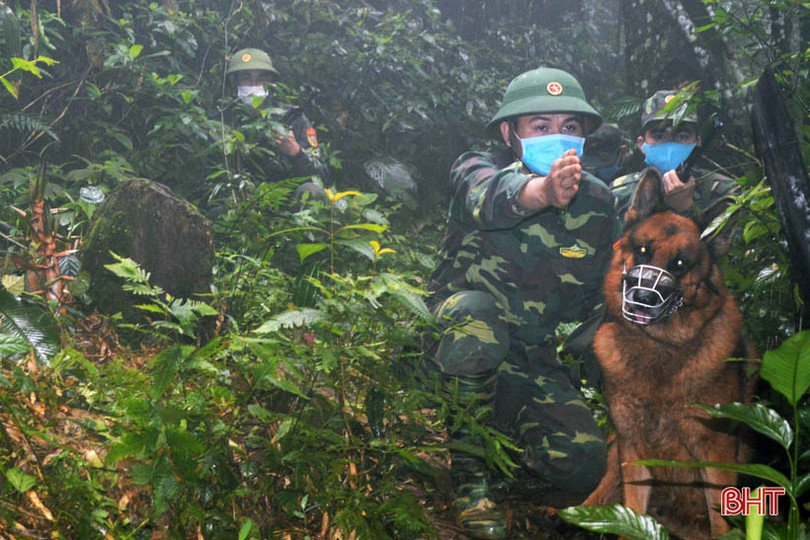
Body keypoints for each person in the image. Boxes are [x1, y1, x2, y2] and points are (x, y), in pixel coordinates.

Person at [426, 67, 617, 539]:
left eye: (570, 127)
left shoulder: (597, 202)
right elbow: (490, 199)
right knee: (475, 321)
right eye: (541, 126)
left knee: (584, 466)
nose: (558, 136)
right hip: (449, 345)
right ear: (510, 134)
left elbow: (596, 296)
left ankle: (504, 446)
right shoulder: (477, 169)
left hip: (528, 357)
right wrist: (543, 193)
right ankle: (469, 478)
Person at [611, 89, 738, 221]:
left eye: (682, 136)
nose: (670, 144)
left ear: (698, 142)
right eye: (659, 136)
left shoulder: (724, 191)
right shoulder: (620, 193)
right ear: (641, 144)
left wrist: (685, 208)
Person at [222, 47, 328, 199]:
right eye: (246, 78)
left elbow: (322, 174)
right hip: (237, 198)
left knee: (312, 191)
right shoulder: (223, 119)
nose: (253, 85)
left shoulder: (294, 118)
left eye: (260, 79)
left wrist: (296, 152)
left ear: (269, 82)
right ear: (235, 81)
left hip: (285, 199)